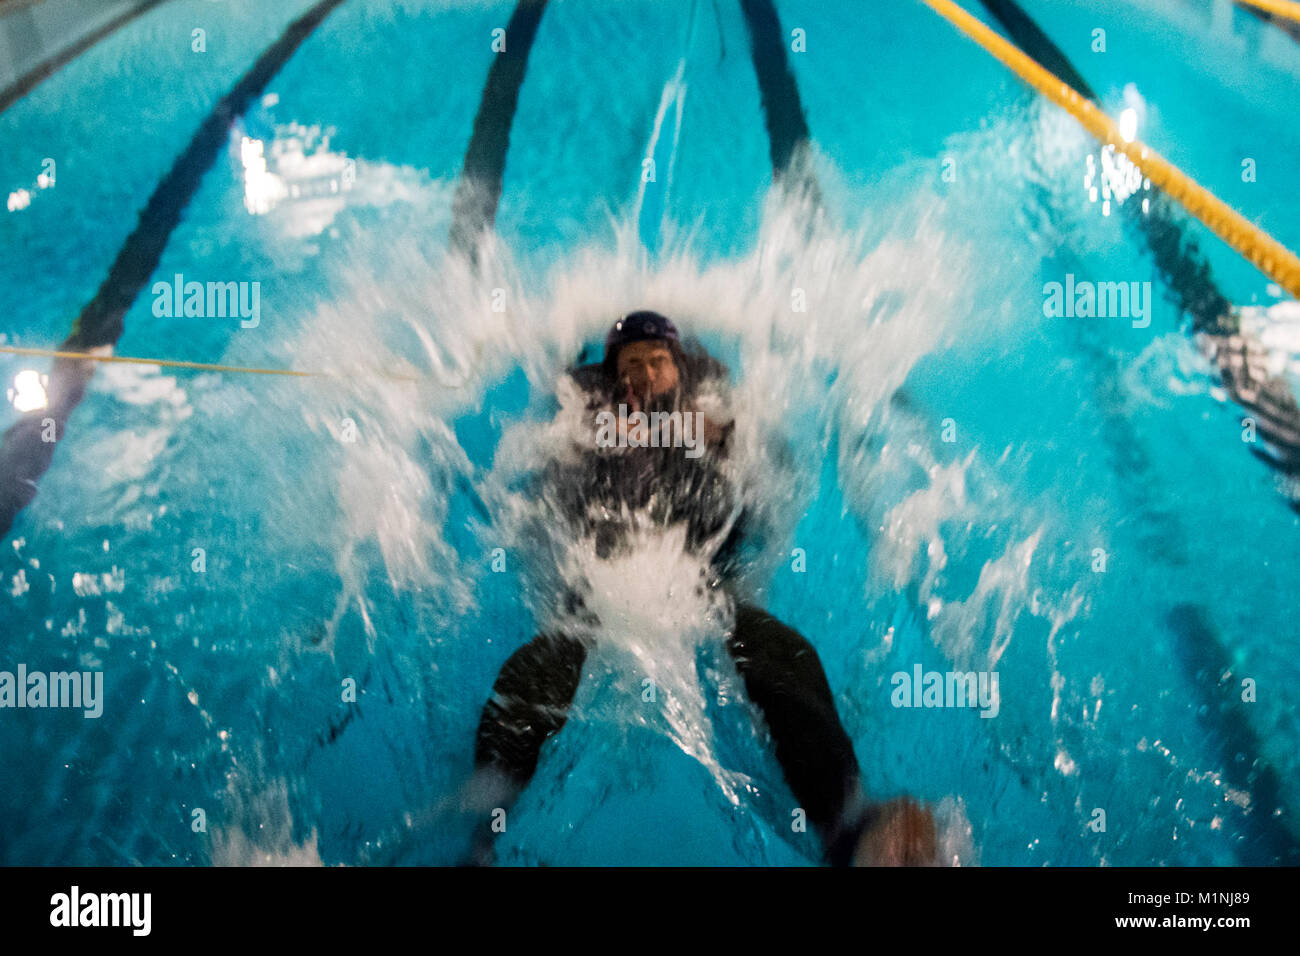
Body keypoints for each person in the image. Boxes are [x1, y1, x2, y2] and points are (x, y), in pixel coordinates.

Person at [467, 311, 936, 866]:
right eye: (631, 364)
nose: (643, 373)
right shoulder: (586, 422)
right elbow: (553, 492)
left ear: (679, 368)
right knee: (540, 667)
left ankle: (848, 823)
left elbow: (764, 477)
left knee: (773, 647)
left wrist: (721, 437)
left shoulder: (712, 421)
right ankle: (479, 845)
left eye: (657, 362)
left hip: (703, 581)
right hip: (601, 586)